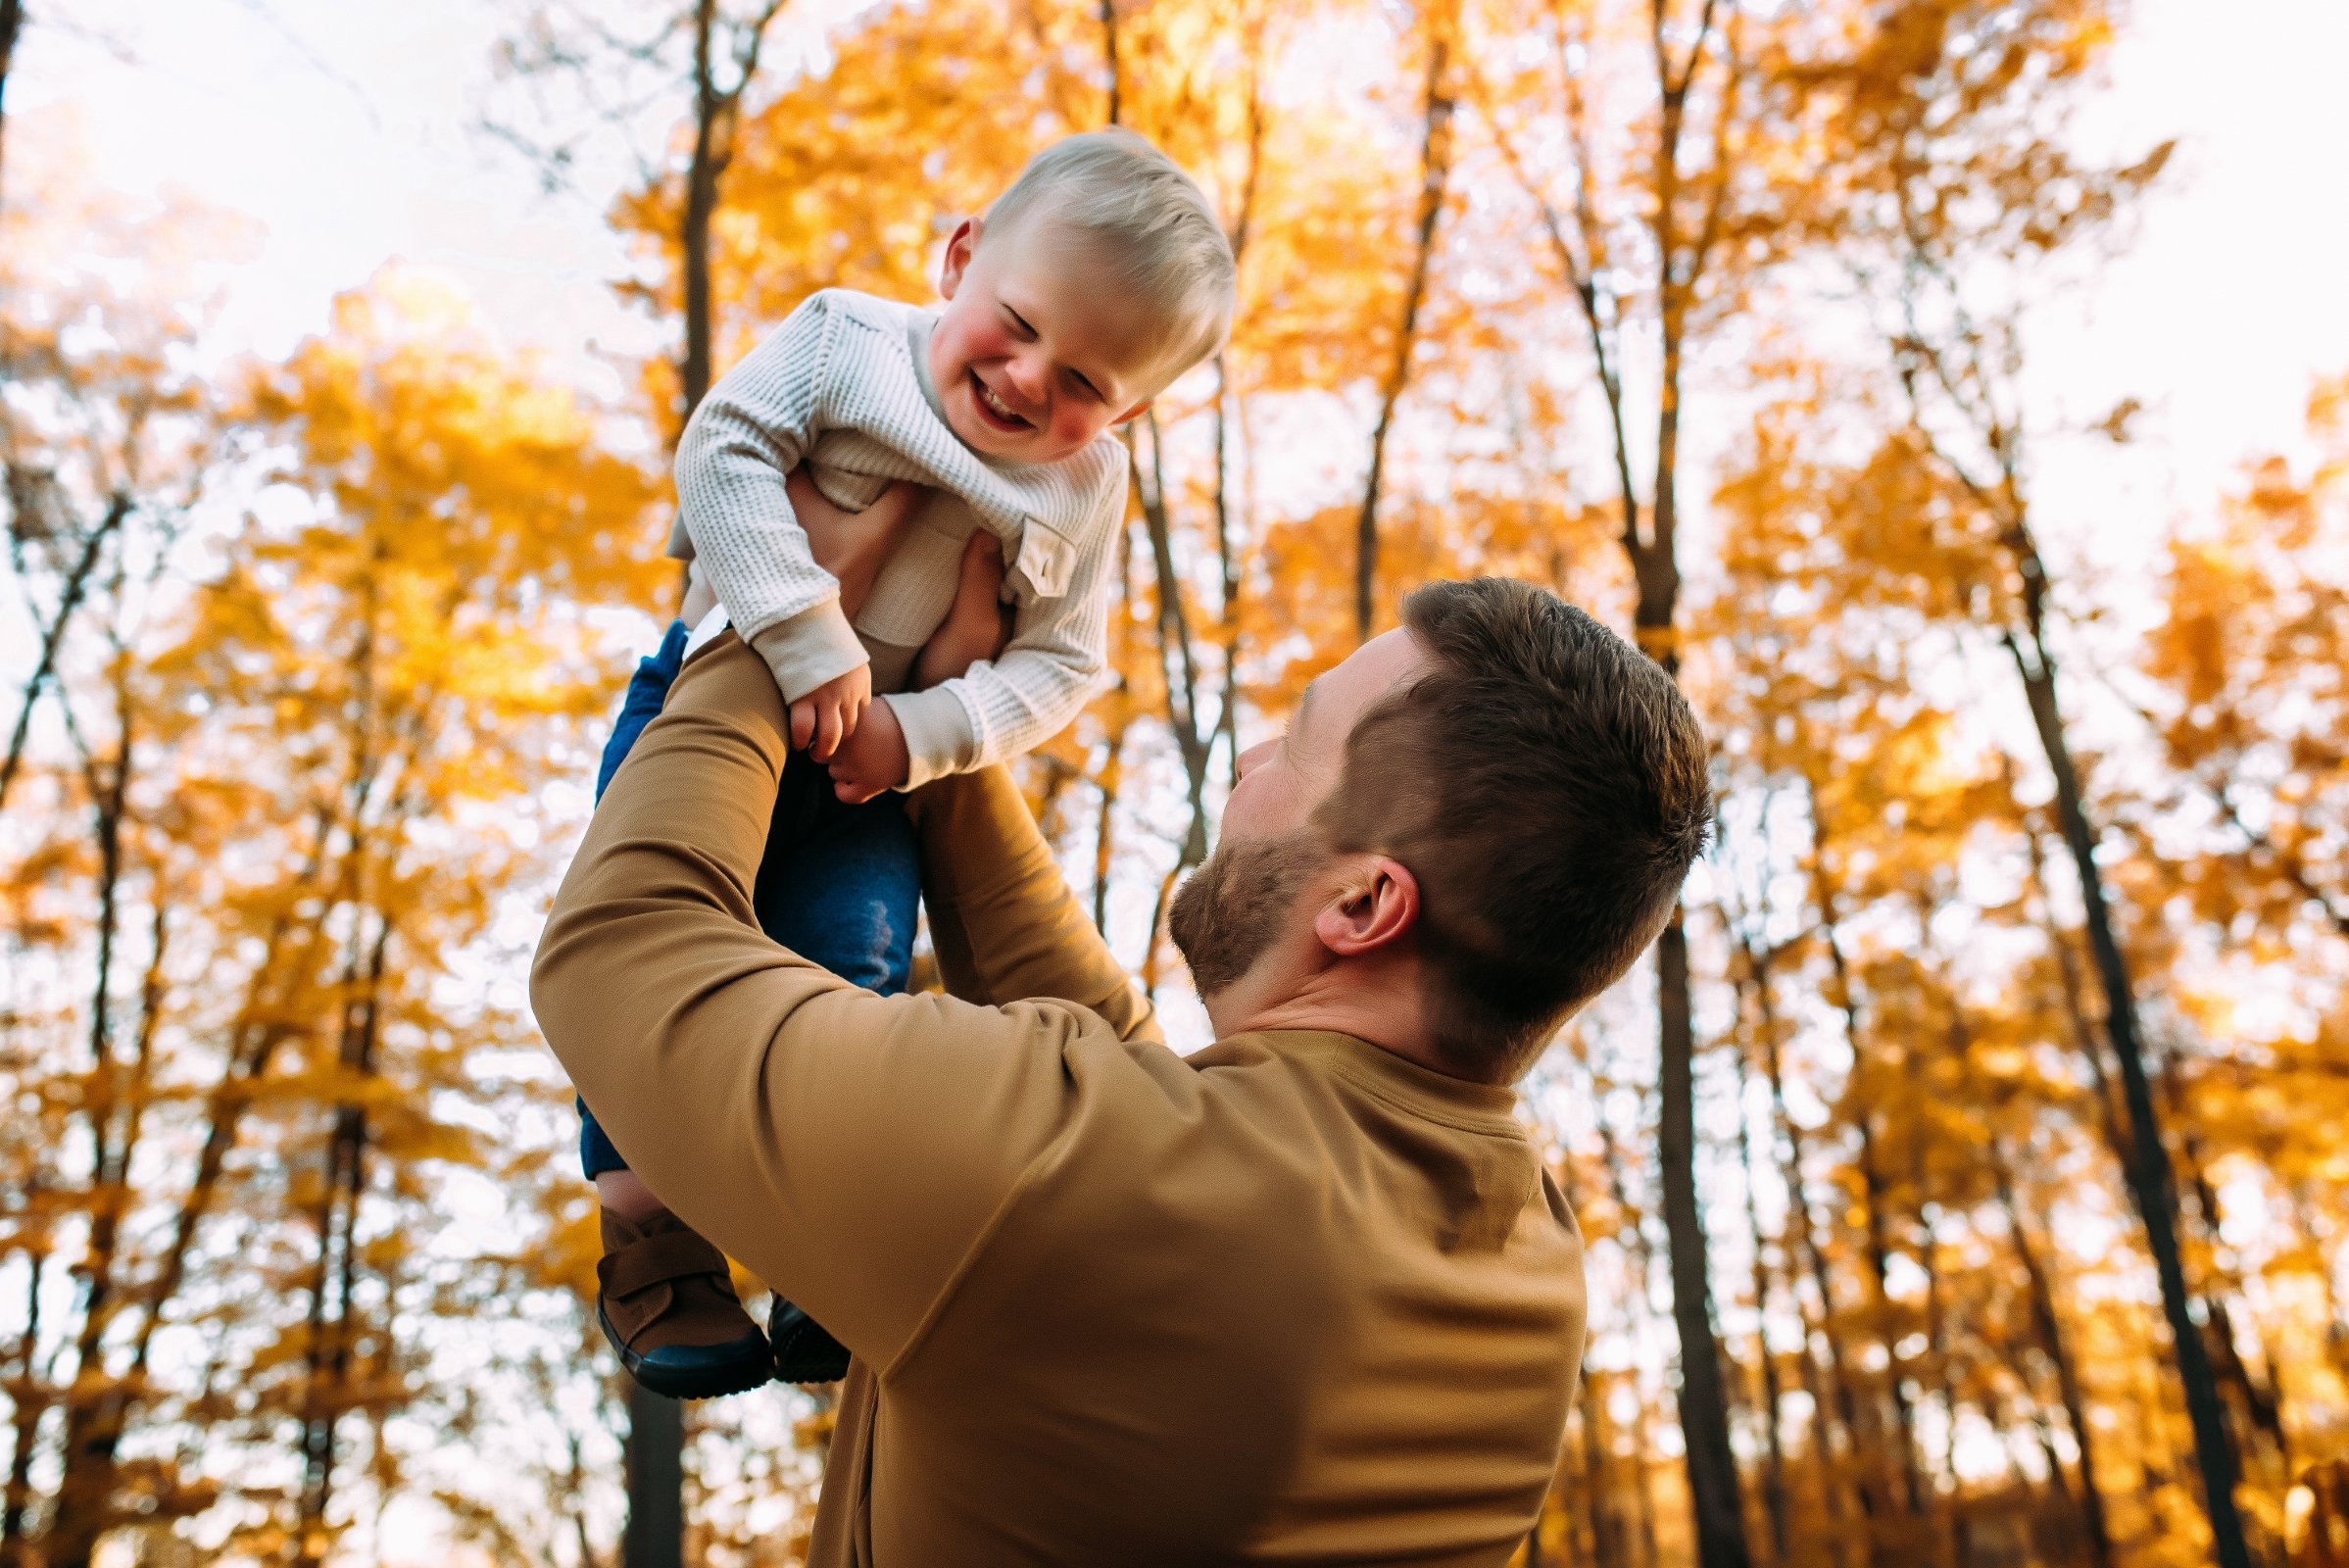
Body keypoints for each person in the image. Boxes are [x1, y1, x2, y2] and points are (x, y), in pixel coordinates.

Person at [534, 536, 1715, 1564]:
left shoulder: (1081, 1181)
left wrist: (783, 611)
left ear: (1361, 907)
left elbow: (619, 951)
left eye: (1298, 749)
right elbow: (1131, 1109)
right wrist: (943, 730)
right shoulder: (1526, 1266)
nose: (1250, 762)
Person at [576, 126, 1239, 1397]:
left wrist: (917, 734)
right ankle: (652, 1235)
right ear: (959, 255)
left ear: (1133, 411)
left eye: (1089, 382)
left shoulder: (1082, 491)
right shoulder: (845, 341)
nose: (1033, 380)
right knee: (641, 933)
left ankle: (822, 1245)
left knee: (850, 976)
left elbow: (1060, 668)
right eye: (1020, 322)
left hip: (865, 773)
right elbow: (721, 452)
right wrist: (801, 625)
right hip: (709, 690)